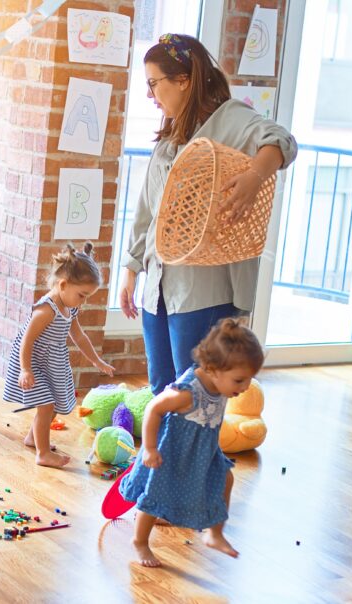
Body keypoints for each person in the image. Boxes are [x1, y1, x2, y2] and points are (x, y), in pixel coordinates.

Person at [119, 33, 296, 394]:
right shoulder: (171, 136)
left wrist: (252, 177)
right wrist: (131, 270)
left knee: (198, 391)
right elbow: (147, 211)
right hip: (159, 283)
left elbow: (281, 141)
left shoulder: (232, 119)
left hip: (205, 289)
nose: (150, 95)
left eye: (154, 84)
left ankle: (197, 453)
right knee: (162, 388)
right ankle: (162, 453)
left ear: (183, 80)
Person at [119, 318, 265, 566]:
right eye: (240, 380)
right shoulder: (187, 391)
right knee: (154, 495)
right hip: (171, 451)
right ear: (213, 369)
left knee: (225, 479)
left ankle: (214, 533)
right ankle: (140, 541)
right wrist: (151, 449)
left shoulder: (222, 385)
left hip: (202, 449)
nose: (245, 387)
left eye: (249, 379)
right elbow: (153, 409)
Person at [3, 243, 115, 468]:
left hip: (52, 362)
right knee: (46, 404)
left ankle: (33, 438)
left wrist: (96, 360)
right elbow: (27, 339)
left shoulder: (69, 308)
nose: (83, 302)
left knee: (54, 405)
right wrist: (25, 369)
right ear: (63, 285)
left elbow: (79, 337)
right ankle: (43, 453)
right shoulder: (46, 310)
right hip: (33, 361)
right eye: (81, 295)